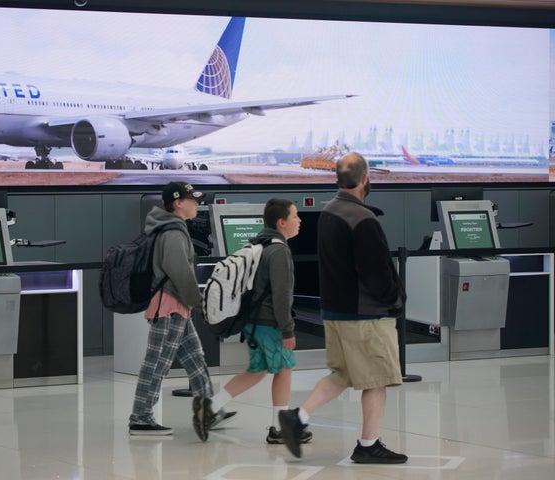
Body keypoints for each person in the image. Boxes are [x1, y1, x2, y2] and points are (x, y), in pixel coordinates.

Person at [278, 152, 408, 464]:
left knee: (342, 373)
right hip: (365, 314)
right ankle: (368, 444)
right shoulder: (362, 218)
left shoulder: (330, 212)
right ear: (366, 179)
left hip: (335, 311)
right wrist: (396, 300)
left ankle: (298, 417)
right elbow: (376, 271)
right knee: (376, 380)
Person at [194, 198, 314, 445]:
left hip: (255, 320)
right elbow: (281, 295)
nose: (299, 220)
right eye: (295, 216)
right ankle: (279, 428)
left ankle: (211, 406)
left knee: (258, 370)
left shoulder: (261, 243)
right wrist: (288, 330)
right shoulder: (279, 251)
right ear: (282, 222)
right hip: (269, 323)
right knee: (283, 369)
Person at [129, 181, 235, 439]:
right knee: (157, 362)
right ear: (178, 203)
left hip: (176, 305)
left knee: (194, 357)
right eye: (193, 200)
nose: (197, 204)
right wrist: (200, 303)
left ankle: (209, 410)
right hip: (169, 306)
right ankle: (140, 418)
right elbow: (180, 274)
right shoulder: (173, 233)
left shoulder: (171, 228)